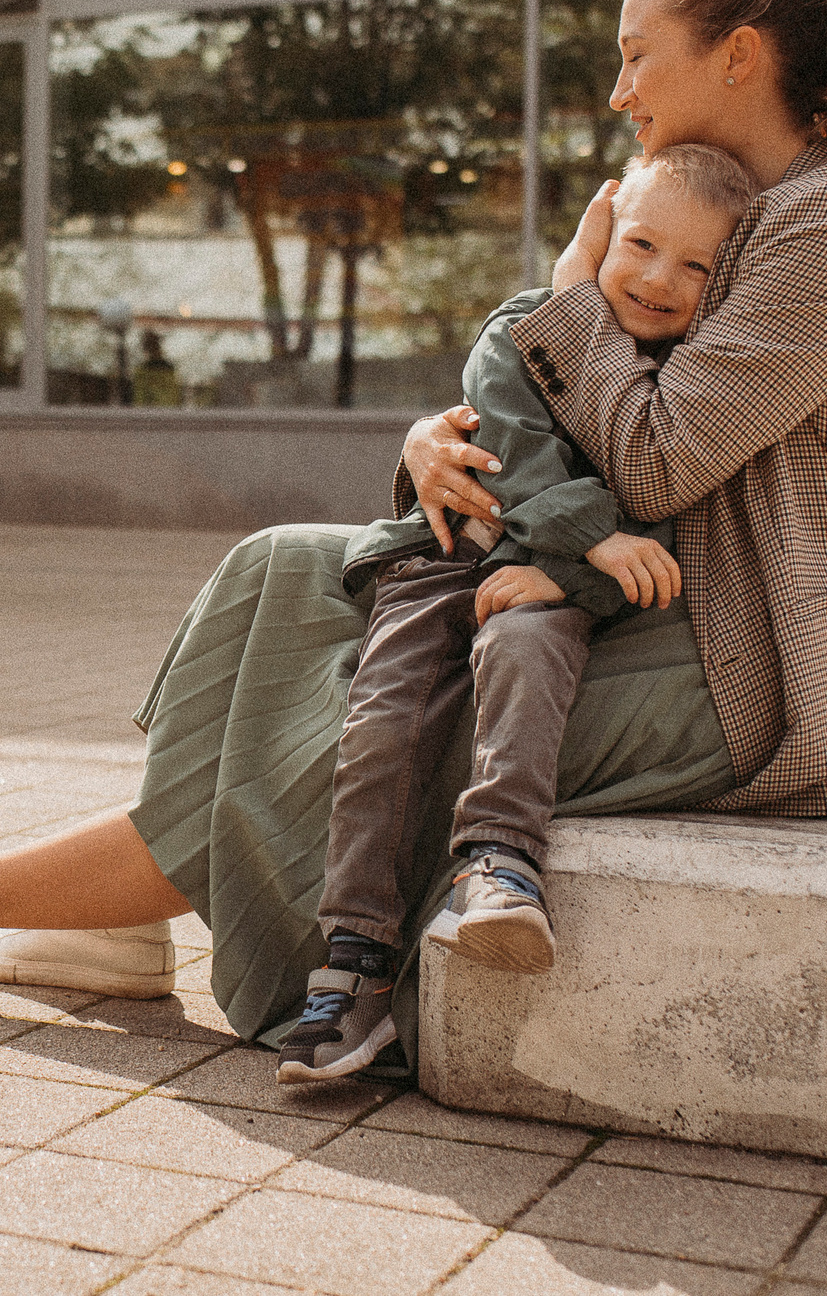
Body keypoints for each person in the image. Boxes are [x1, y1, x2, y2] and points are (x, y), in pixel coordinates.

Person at [0, 0, 827, 1069]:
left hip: (733, 670)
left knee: (340, 737)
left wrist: (569, 294)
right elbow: (584, 410)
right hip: (624, 584)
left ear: (737, 57)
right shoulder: (719, 208)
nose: (618, 90)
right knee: (279, 569)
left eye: (637, 54)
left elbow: (654, 452)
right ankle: (110, 924)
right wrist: (440, 446)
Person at [277, 142, 755, 1083]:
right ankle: (355, 959)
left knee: (528, 653)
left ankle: (500, 865)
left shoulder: (694, 383)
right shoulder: (523, 327)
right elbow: (512, 449)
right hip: (447, 559)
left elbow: (669, 512)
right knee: (384, 717)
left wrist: (569, 576)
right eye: (642, 245)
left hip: (548, 584)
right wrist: (590, 540)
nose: (661, 279)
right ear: (600, 233)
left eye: (697, 265)